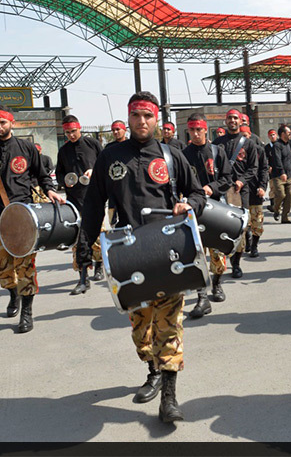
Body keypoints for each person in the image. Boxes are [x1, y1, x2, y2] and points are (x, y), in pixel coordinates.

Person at [77, 91, 206, 422]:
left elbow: (196, 192)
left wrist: (189, 204)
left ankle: (169, 398)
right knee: (142, 332)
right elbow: (93, 204)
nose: (142, 121)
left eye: (148, 116)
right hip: (128, 255)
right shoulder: (111, 156)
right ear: (128, 117)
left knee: (170, 328)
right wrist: (84, 245)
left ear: (156, 118)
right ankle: (152, 370)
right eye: (136, 115)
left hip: (168, 252)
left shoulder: (172, 153)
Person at [0, 106, 63, 333]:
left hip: (24, 218)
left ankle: (27, 312)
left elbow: (42, 175)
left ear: (12, 123)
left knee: (25, 267)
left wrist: (50, 190)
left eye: (2, 122)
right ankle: (13, 292)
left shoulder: (27, 148)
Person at [182, 113, 233, 319]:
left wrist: (211, 188)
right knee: (195, 253)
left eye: (198, 130)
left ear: (205, 130)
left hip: (215, 208)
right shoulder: (183, 155)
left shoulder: (216, 151)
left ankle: (217, 284)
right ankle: (201, 295)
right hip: (192, 210)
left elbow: (228, 178)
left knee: (217, 252)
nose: (195, 134)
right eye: (191, 130)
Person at [56, 115, 104, 295]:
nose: (71, 135)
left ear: (80, 128)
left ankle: (98, 264)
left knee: (97, 237)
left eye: (73, 131)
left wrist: (95, 170)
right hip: (73, 201)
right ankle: (82, 278)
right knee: (78, 240)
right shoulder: (63, 151)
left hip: (94, 198)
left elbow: (104, 164)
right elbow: (59, 173)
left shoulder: (92, 144)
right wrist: (64, 181)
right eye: (67, 132)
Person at [213, 108, 258, 278]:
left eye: (235, 118)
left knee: (239, 228)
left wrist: (242, 180)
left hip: (240, 190)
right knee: (220, 227)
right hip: (221, 190)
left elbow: (253, 168)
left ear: (241, 121)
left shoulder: (248, 143)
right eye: (229, 118)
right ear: (225, 121)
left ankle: (237, 264)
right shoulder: (217, 143)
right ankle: (220, 263)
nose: (232, 120)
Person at [242, 124, 269, 258]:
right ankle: (247, 240)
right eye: (241, 137)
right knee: (244, 222)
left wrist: (263, 186)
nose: (244, 140)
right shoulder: (234, 152)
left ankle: (254, 246)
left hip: (256, 190)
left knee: (257, 221)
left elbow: (264, 169)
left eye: (246, 136)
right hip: (240, 193)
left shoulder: (259, 150)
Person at [270, 125, 291, 224]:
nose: (290, 135)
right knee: (281, 195)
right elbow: (277, 160)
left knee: (289, 195)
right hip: (278, 176)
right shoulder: (277, 145)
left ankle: (285, 217)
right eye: (288, 133)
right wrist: (282, 172)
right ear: (282, 134)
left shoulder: (289, 143)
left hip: (290, 175)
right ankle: (276, 210)